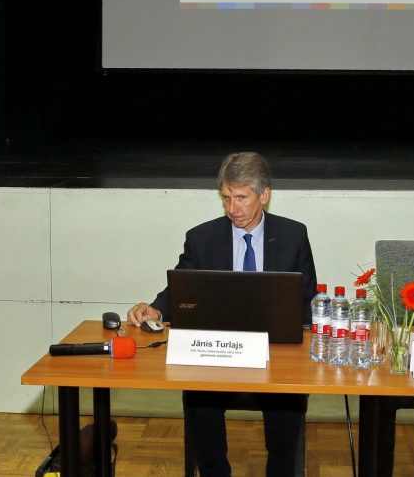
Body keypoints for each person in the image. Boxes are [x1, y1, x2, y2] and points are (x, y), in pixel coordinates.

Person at [127, 152, 317, 477]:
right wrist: (156, 308)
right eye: (226, 198)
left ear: (264, 195)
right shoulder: (202, 238)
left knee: (286, 408)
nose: (232, 208)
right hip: (218, 350)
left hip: (275, 351)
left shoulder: (293, 235)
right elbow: (182, 287)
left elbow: (307, 299)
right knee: (200, 402)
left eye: (241, 197)